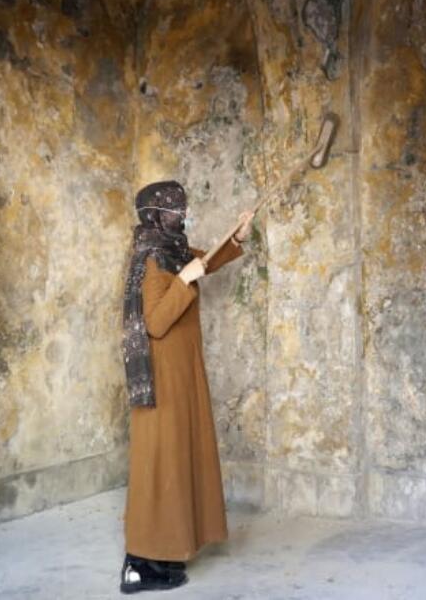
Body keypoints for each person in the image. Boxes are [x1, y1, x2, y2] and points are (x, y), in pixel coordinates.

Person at [118, 180, 253, 593]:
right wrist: (184, 281)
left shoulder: (171, 251)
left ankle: (165, 554)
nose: (184, 216)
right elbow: (156, 323)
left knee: (177, 461)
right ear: (157, 216)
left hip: (181, 373)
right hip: (162, 379)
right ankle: (139, 564)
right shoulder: (150, 258)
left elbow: (205, 261)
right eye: (177, 211)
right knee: (159, 464)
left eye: (184, 209)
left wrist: (236, 238)